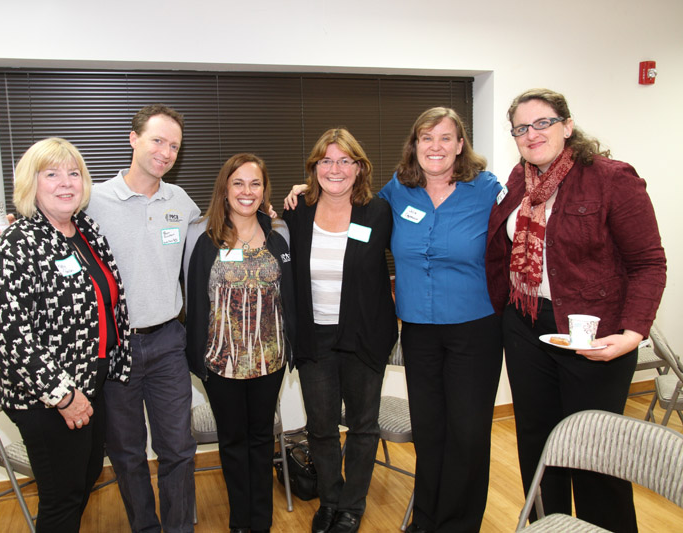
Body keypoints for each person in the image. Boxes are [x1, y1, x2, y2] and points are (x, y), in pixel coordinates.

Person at [0, 105, 200, 533]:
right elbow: (43, 232)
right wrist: (12, 229)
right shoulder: (90, 200)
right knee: (126, 453)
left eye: (174, 145)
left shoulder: (182, 202)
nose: (165, 152)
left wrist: (271, 210)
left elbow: (218, 235)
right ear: (133, 139)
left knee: (178, 449)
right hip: (113, 350)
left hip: (167, 342)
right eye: (157, 140)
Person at [485, 88, 666, 532]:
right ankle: (547, 525)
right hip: (526, 325)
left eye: (543, 122)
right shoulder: (518, 180)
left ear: (567, 126)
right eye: (521, 128)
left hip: (593, 333)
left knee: (595, 450)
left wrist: (632, 333)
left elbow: (648, 263)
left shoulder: (611, 178)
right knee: (538, 442)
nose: (532, 134)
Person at [0, 138, 131, 533]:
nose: (66, 182)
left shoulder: (85, 231)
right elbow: (12, 340)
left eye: (73, 173)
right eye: (52, 174)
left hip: (91, 384)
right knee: (62, 501)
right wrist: (63, 396)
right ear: (31, 185)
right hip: (48, 400)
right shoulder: (14, 248)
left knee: (83, 481)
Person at [379, 108, 503, 533]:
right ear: (414, 145)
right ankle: (425, 521)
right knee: (430, 430)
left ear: (460, 144)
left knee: (467, 433)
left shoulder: (487, 189)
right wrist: (306, 193)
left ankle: (458, 525)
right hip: (418, 330)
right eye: (427, 138)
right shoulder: (398, 189)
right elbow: (353, 210)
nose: (436, 147)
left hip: (475, 329)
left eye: (446, 138)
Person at [283, 129, 398, 533]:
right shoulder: (297, 212)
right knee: (321, 427)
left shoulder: (378, 212)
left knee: (363, 426)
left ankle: (352, 506)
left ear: (359, 168)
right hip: (315, 337)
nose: (336, 169)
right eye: (327, 161)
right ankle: (329, 501)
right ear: (314, 167)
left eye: (345, 161)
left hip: (364, 335)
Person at [183, 153, 296, 533]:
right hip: (222, 361)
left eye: (255, 184)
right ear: (225, 189)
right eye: (238, 183)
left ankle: (260, 522)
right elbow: (193, 297)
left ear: (264, 190)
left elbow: (290, 293)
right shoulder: (203, 236)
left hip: (269, 360)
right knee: (233, 443)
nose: (247, 191)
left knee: (262, 440)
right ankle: (239, 523)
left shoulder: (279, 234)